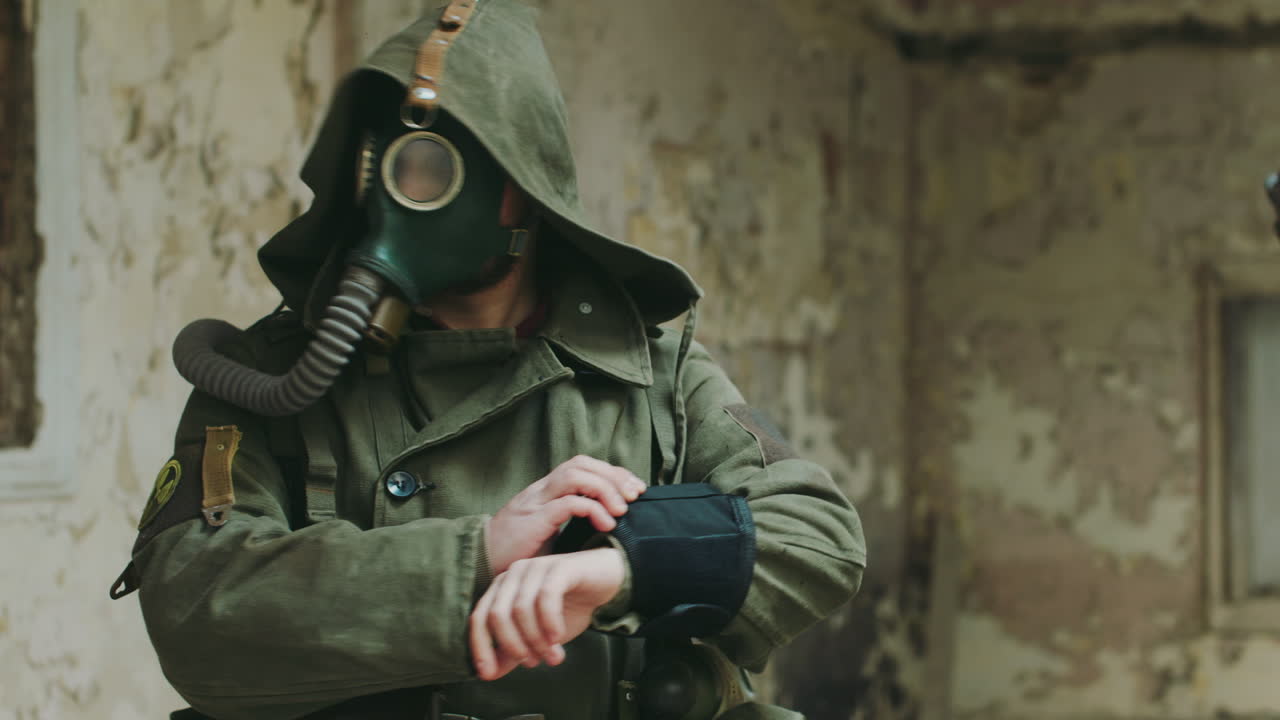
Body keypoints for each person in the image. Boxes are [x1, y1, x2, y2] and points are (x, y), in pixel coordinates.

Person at [111, 2, 867, 719]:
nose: (402, 201)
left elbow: (814, 533)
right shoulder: (273, 379)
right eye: (384, 169)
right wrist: (476, 558)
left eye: (435, 169)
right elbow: (194, 602)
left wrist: (617, 569)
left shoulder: (648, 373)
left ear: (525, 187)